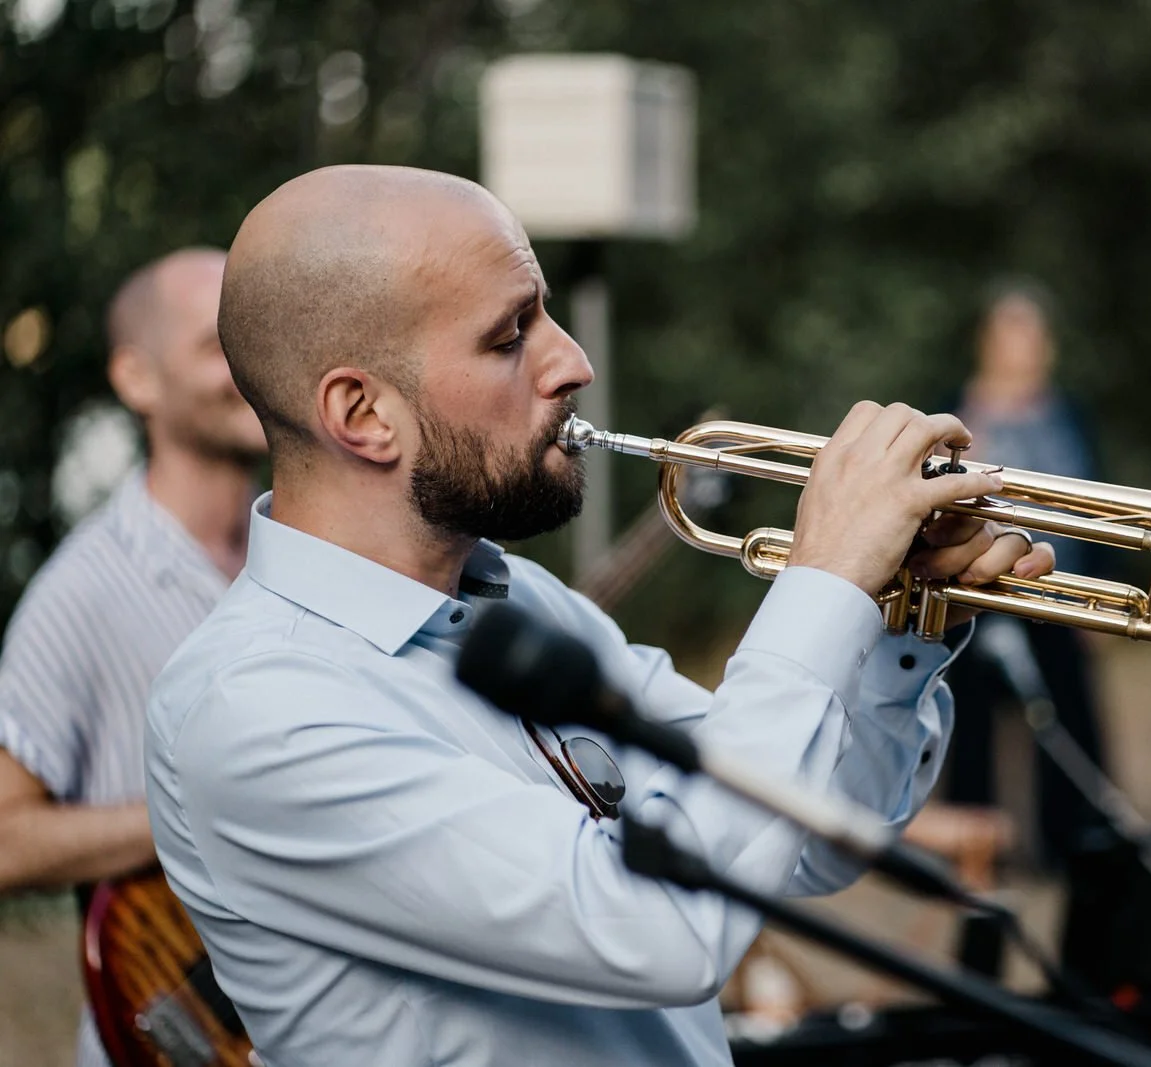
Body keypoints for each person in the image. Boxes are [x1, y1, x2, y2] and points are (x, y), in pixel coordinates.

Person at [143, 164, 1056, 1067]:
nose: (572, 361)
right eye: (510, 336)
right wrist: (825, 581)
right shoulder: (255, 707)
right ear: (363, 413)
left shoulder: (513, 599)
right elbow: (661, 926)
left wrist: (899, 625)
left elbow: (798, 836)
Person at [0, 247, 266, 1067]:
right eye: (212, 343)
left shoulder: (321, 554)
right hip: (176, 1035)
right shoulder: (81, 591)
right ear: (136, 378)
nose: (248, 364)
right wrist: (207, 813)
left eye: (255, 335)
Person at [941, 279, 1110, 868]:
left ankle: (1075, 842)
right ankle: (974, 843)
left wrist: (1097, 598)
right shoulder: (957, 410)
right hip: (975, 587)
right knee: (969, 722)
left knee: (1070, 709)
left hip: (1056, 586)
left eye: (1035, 333)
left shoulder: (1068, 413)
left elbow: (1097, 504)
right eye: (1014, 332)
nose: (1028, 347)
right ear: (987, 342)